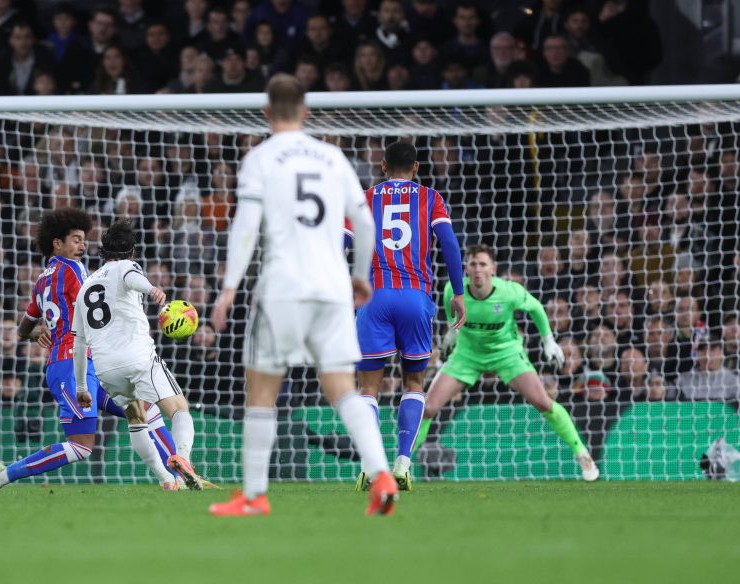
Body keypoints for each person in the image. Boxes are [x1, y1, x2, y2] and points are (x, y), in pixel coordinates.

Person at [209, 73, 395, 516]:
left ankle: (254, 496)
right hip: (332, 288)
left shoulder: (260, 158)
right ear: (306, 111)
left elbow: (246, 226)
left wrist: (229, 287)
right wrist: (361, 274)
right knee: (342, 390)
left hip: (282, 290)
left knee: (261, 392)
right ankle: (382, 474)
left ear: (267, 113)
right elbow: (365, 222)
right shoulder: (332, 156)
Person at [0, 209, 182, 491]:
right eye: (75, 240)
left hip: (88, 366)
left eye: (83, 240)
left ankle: (179, 478)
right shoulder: (75, 270)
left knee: (144, 411)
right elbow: (96, 305)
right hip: (69, 367)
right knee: (82, 446)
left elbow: (23, 329)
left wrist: (41, 332)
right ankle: (3, 475)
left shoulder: (41, 281)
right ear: (56, 243)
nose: (82, 246)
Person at [413, 244, 599, 481]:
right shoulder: (453, 289)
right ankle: (402, 464)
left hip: (507, 353)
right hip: (467, 355)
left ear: (493, 269)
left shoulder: (509, 292)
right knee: (427, 407)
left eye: (483, 264)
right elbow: (453, 314)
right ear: (466, 269)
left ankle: (583, 455)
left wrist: (548, 341)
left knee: (543, 402)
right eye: (473, 264)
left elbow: (536, 308)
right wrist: (452, 332)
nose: (478, 269)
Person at [349, 140, 466, 494]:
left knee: (368, 388)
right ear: (416, 167)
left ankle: (373, 468)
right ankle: (402, 462)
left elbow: (340, 239)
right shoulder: (431, 198)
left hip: (375, 299)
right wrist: (458, 292)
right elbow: (449, 244)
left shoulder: (365, 198)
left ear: (382, 166)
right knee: (413, 384)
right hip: (416, 299)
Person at [71, 219, 208, 490]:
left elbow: (78, 344)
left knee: (136, 419)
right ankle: (182, 455)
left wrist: (82, 386)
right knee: (179, 409)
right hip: (137, 356)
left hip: (105, 367)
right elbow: (130, 277)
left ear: (103, 251)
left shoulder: (86, 287)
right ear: (131, 252)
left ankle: (166, 480)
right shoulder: (127, 266)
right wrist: (151, 289)